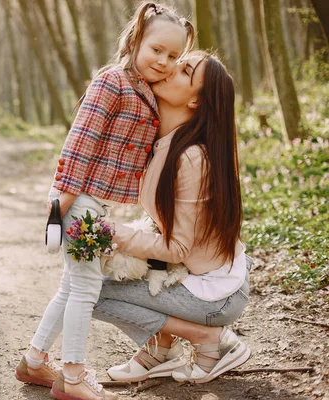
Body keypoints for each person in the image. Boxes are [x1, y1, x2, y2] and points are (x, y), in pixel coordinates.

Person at [14, 3, 195, 399]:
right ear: (135, 40)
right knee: (85, 289)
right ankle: (74, 377)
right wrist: (59, 208)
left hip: (94, 203)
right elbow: (79, 145)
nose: (164, 62)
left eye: (173, 56)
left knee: (72, 285)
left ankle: (34, 361)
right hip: (76, 198)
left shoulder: (146, 90)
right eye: (156, 50)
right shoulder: (112, 81)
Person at [92, 50, 251, 385]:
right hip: (189, 275)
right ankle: (159, 351)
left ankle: (209, 339)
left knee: (92, 293)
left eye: (184, 71)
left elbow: (177, 249)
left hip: (215, 292)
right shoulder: (164, 143)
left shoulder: (192, 158)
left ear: (196, 101)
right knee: (90, 280)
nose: (169, 68)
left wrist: (116, 234)